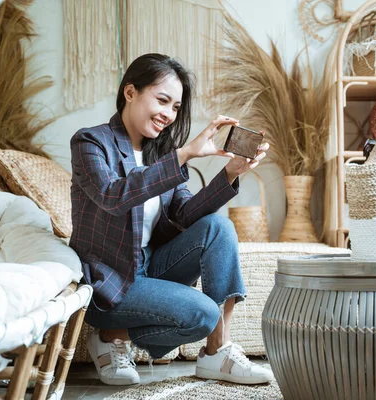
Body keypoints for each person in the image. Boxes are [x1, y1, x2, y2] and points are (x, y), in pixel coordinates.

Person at [69, 53, 273, 386]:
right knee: (204, 313)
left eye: (176, 108)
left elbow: (183, 215)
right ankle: (110, 335)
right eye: (162, 100)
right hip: (108, 280)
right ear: (130, 92)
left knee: (219, 227)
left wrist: (229, 174)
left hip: (151, 269)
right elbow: (112, 196)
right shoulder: (91, 142)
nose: (168, 115)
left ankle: (217, 352)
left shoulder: (162, 153)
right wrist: (185, 153)